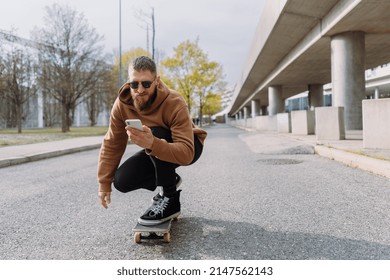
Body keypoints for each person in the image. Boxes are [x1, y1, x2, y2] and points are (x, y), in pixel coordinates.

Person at [97, 55, 207, 226]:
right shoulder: (122, 104)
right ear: (129, 82)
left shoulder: (175, 101)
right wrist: (104, 183)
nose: (140, 90)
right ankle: (170, 178)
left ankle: (171, 199)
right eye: (134, 84)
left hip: (189, 145)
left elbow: (186, 153)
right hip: (155, 148)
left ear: (156, 81)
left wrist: (152, 143)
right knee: (122, 181)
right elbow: (113, 143)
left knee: (157, 132)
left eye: (146, 84)